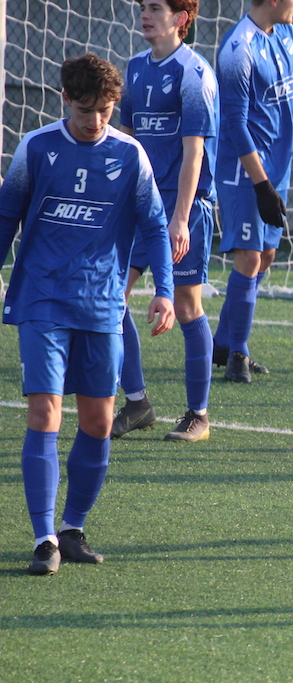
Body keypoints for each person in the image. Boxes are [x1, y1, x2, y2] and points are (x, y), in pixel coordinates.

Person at [0, 53, 175, 575]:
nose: (94, 121)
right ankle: (43, 538)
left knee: (98, 422)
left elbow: (156, 228)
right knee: (45, 413)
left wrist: (163, 290)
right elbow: (6, 216)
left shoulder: (130, 154)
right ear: (65, 100)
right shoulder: (37, 147)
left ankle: (73, 526)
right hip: (43, 299)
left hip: (102, 304)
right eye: (84, 111)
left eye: (104, 111)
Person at [212, 0, 293, 383]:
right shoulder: (238, 50)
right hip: (245, 172)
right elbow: (234, 125)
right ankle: (237, 353)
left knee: (267, 255)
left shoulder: (287, 32)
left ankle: (224, 339)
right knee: (250, 257)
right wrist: (261, 186)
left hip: (276, 169)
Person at [112, 0, 219, 442]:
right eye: (143, 7)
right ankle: (137, 403)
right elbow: (129, 143)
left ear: (181, 19)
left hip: (184, 206)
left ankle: (198, 414)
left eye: (155, 7)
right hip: (139, 204)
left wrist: (180, 219)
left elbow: (194, 153)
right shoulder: (134, 69)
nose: (145, 14)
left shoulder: (195, 73)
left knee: (188, 306)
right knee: (111, 299)